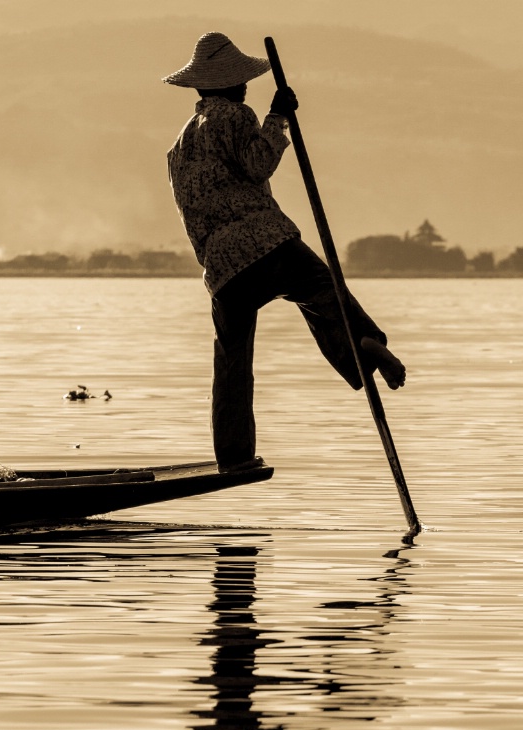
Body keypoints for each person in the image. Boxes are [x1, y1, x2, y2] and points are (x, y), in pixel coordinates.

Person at [164, 32, 406, 473]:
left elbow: (191, 212)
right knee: (322, 292)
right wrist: (277, 117)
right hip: (266, 242)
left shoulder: (179, 147)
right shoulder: (235, 116)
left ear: (199, 87)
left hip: (222, 270)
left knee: (231, 360)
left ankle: (234, 456)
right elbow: (259, 164)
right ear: (235, 85)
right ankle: (364, 343)